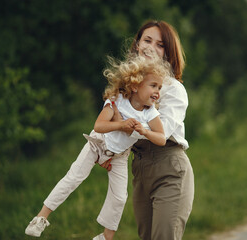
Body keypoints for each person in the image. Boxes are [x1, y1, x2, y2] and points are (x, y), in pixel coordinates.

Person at [25, 54, 172, 240]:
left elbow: (161, 139)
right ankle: (40, 218)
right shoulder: (117, 100)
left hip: (119, 156)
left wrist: (145, 132)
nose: (157, 91)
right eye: (153, 86)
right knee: (73, 178)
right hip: (98, 143)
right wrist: (121, 125)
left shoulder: (150, 113)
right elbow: (99, 126)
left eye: (159, 87)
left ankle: (105, 237)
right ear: (135, 85)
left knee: (119, 197)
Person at [103, 20, 195, 240]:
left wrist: (120, 122)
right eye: (147, 40)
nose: (151, 47)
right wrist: (107, 151)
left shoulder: (173, 89)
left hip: (169, 169)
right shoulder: (128, 90)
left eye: (160, 44)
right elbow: (112, 130)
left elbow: (160, 133)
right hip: (140, 170)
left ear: (168, 53)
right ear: (137, 45)